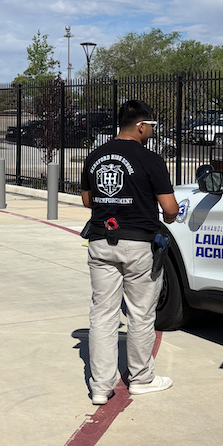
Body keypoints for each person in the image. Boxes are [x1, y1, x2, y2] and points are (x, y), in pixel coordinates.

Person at [80, 100, 179, 406]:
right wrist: (170, 217)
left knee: (103, 314)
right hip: (138, 245)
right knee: (139, 314)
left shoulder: (94, 157)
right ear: (140, 126)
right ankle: (141, 378)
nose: (152, 131)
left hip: (100, 240)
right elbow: (170, 208)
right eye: (151, 126)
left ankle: (100, 386)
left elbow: (87, 200)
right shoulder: (150, 160)